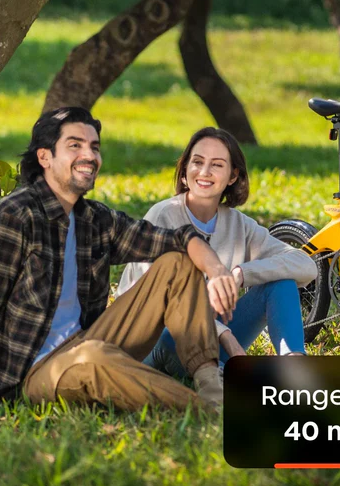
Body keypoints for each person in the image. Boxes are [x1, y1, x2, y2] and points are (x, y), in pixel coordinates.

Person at [0, 108, 238, 411]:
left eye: (94, 147)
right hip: (31, 373)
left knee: (179, 262)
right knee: (95, 358)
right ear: (45, 157)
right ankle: (214, 413)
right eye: (75, 145)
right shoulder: (9, 218)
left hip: (90, 341)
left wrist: (216, 270)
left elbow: (177, 239)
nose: (90, 155)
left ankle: (211, 387)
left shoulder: (95, 219)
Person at [118, 127, 317, 377]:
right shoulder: (162, 217)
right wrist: (227, 337)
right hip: (151, 342)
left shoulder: (239, 225)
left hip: (210, 344)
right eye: (197, 162)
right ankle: (221, 374)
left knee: (280, 284)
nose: (204, 172)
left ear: (233, 176)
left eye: (217, 164)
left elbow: (305, 265)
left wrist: (240, 274)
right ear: (184, 172)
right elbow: (162, 308)